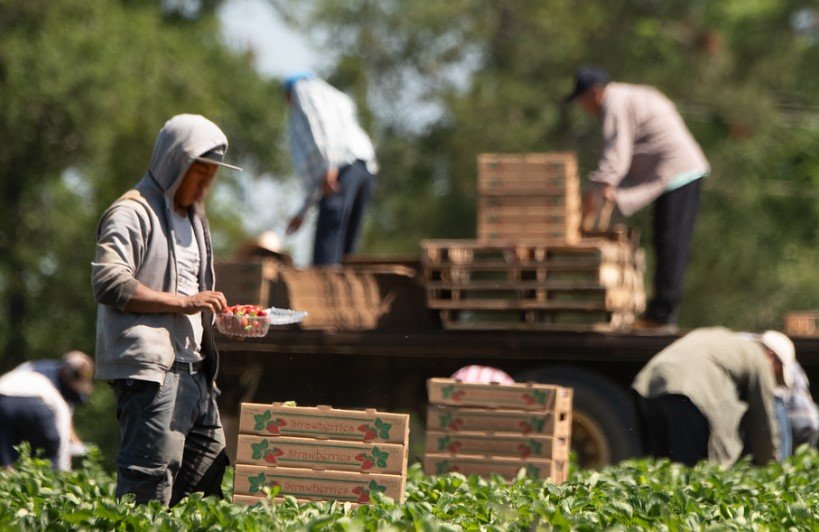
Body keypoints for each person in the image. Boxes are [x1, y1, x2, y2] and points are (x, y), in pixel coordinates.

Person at [92, 114, 241, 506]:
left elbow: (194, 293)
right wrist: (184, 302)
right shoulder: (131, 212)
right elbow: (110, 282)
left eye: (212, 175)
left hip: (197, 373)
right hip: (152, 375)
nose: (207, 184)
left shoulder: (196, 219)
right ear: (174, 163)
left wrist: (216, 315)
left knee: (204, 484)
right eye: (200, 173)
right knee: (149, 487)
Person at [566, 66, 710, 331]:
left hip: (678, 171)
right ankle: (660, 312)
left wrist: (601, 185)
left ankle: (662, 316)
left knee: (671, 244)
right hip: (672, 172)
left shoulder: (614, 104)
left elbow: (616, 155)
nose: (583, 108)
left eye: (582, 101)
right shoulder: (628, 95)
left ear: (595, 94)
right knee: (665, 241)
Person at [632, 327, 784, 467]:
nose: (774, 379)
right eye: (778, 373)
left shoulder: (721, 337)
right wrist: (770, 465)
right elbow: (763, 420)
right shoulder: (759, 358)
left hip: (649, 384)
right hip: (687, 390)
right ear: (771, 356)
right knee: (690, 470)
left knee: (663, 463)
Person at [283, 71, 378, 266]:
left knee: (328, 237)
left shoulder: (304, 89)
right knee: (345, 246)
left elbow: (319, 124)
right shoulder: (336, 97)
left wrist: (330, 164)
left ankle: (324, 290)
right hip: (363, 169)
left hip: (341, 168)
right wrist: (303, 211)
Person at [0, 351, 94, 471]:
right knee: (50, 460)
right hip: (35, 406)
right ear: (64, 374)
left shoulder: (30, 367)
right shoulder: (55, 395)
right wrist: (64, 469)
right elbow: (62, 435)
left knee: (5, 464)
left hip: (2, 400)